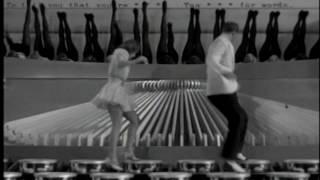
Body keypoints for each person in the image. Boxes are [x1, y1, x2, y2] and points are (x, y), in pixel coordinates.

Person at [91, 40, 148, 170]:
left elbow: (114, 61)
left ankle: (128, 151)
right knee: (117, 125)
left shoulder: (119, 53)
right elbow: (120, 63)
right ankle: (112, 157)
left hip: (120, 90)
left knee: (134, 121)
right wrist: (138, 60)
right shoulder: (121, 52)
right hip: (114, 90)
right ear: (134, 49)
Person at [205, 22, 248, 173]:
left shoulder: (224, 42)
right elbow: (211, 60)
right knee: (237, 118)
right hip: (220, 90)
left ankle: (235, 151)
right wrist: (226, 72)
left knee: (242, 116)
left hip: (225, 89)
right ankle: (229, 159)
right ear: (234, 32)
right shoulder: (220, 42)